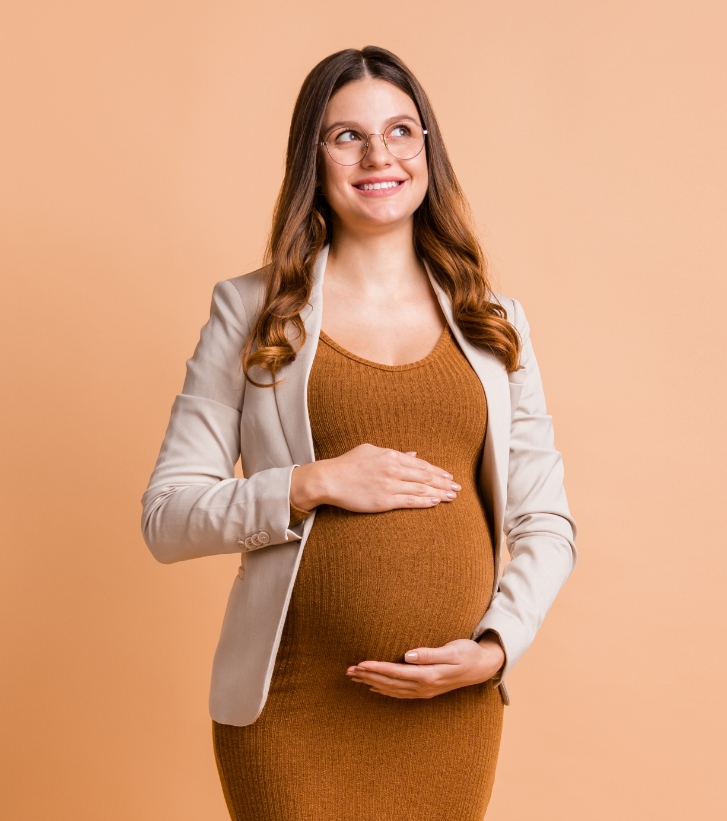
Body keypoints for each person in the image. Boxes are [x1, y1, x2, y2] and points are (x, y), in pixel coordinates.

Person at [141, 45, 576, 821]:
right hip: (294, 703)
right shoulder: (249, 310)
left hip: (451, 711)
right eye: (347, 135)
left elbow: (544, 519)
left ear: (426, 152)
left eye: (400, 130)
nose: (379, 154)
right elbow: (167, 515)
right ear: (313, 157)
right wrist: (312, 482)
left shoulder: (494, 323)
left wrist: (494, 647)